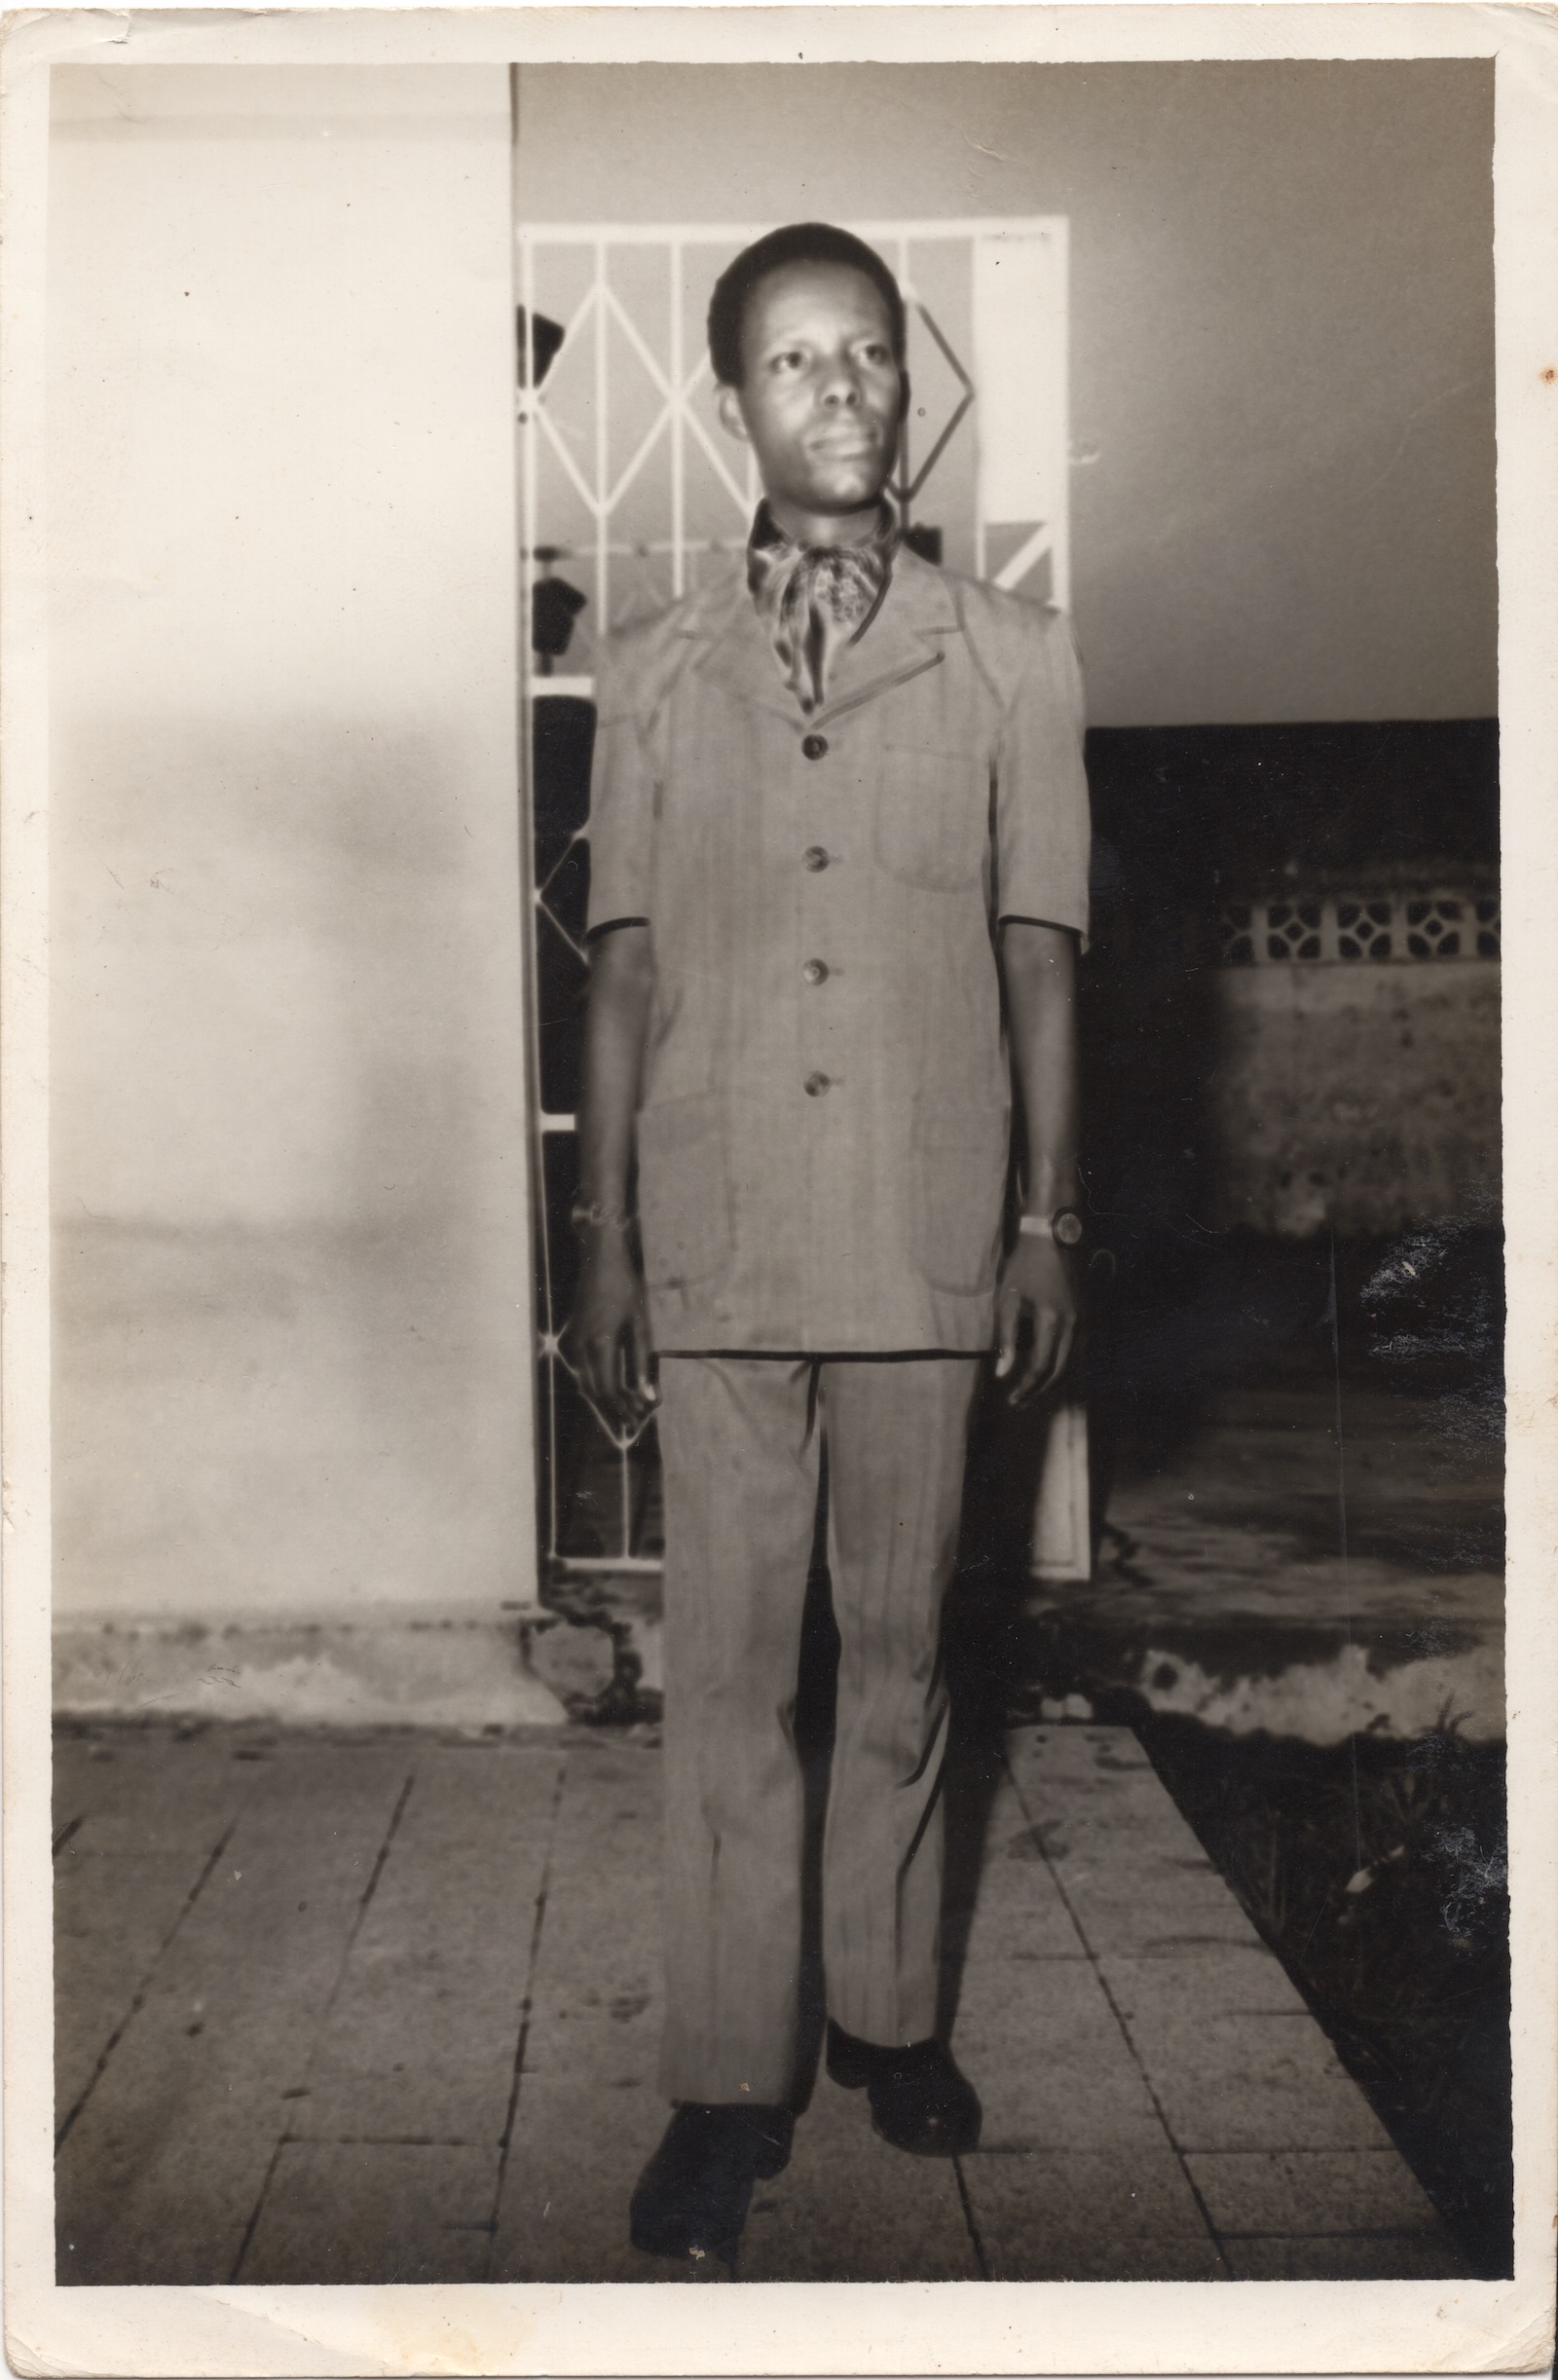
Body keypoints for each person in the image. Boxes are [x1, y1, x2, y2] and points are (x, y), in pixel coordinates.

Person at [565, 222, 1091, 2267]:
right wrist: (604, 1242)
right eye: (795, 361)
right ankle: (724, 2085)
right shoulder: (649, 663)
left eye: (868, 351)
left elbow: (1037, 959)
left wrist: (1043, 1218)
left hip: (919, 1220)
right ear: (732, 404)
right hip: (713, 1231)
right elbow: (621, 971)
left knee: (896, 1644)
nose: (842, 388)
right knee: (725, 1669)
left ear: (908, 381)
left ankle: (887, 2013)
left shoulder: (1012, 655)